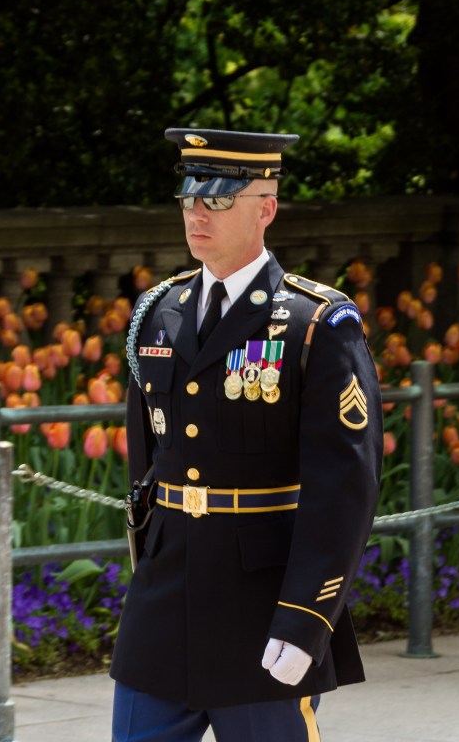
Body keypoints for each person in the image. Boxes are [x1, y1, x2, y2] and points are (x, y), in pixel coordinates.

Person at [111, 128, 382, 741]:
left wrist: (308, 616)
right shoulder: (159, 311)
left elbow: (345, 486)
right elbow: (147, 462)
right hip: (165, 598)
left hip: (265, 605)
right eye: (189, 197)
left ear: (266, 208)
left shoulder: (315, 322)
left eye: (218, 199)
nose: (197, 213)